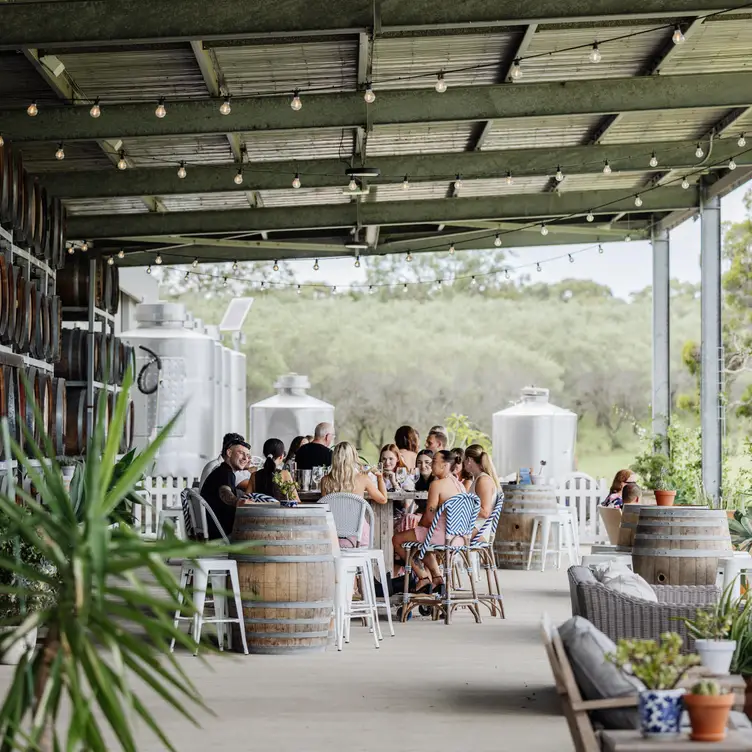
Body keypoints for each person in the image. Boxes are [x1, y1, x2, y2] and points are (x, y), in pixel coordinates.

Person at [392, 449, 465, 594]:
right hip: (458, 538)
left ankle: (423, 577)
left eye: (435, 461)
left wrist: (418, 528)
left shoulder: (437, 485)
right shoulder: (460, 486)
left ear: (444, 465)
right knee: (420, 541)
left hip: (441, 537)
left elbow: (429, 518)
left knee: (398, 539)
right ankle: (437, 578)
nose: (431, 464)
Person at [321, 441, 387, 547]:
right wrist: (380, 478)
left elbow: (325, 508)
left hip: (333, 537)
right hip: (359, 537)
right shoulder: (363, 478)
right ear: (354, 457)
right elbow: (383, 499)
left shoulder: (325, 481)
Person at [199, 437, 251, 540]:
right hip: (221, 532)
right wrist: (242, 502)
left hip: (215, 528)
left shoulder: (223, 470)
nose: (245, 458)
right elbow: (225, 492)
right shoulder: (225, 473)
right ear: (229, 453)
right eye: (241, 453)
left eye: (247, 455)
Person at [463, 444, 501, 539]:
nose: (463, 462)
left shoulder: (483, 480)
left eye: (464, 459)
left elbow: (485, 513)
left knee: (441, 534)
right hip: (473, 526)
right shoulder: (477, 479)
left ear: (469, 460)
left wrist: (463, 504)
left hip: (479, 530)